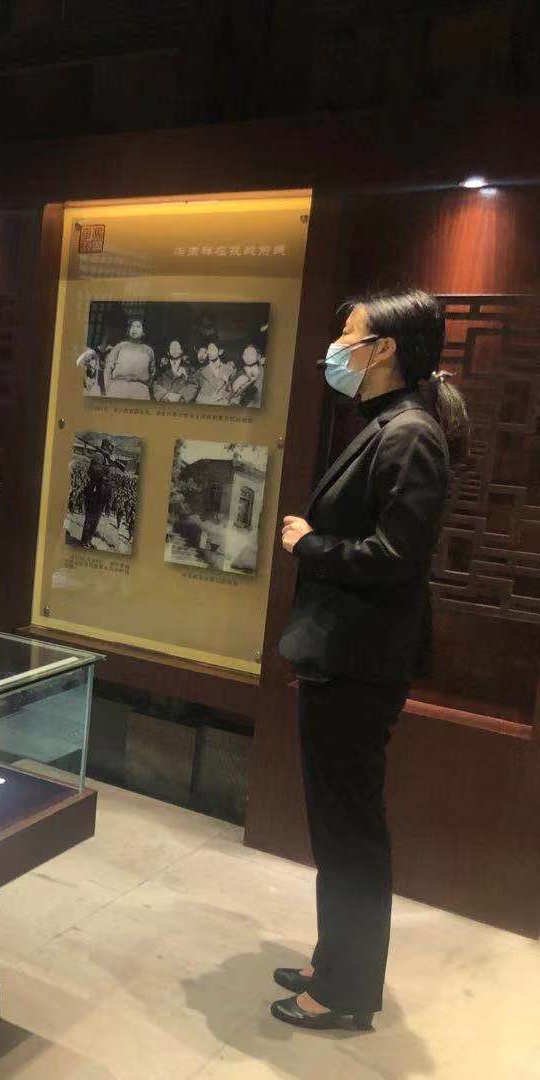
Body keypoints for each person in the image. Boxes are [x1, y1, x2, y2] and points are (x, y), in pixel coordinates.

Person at [273, 288, 467, 1032]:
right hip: (345, 655)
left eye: (348, 335)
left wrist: (310, 545)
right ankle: (335, 963)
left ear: (383, 348)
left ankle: (346, 990)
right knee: (337, 824)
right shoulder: (389, 423)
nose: (338, 347)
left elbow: (396, 557)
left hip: (359, 661)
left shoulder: (410, 433)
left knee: (350, 830)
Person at [102, 317, 155, 399]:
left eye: (138, 327)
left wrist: (145, 387)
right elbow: (108, 368)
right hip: (118, 386)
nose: (134, 329)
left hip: (140, 390)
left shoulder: (148, 350)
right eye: (132, 326)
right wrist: (109, 388)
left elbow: (152, 372)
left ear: (143, 332)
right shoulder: (120, 346)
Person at [78, 437, 115, 548]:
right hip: (95, 492)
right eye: (111, 446)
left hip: (101, 494)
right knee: (90, 518)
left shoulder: (105, 457)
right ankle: (84, 541)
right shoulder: (98, 456)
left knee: (96, 520)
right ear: (105, 445)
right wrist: (108, 465)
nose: (112, 449)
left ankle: (88, 541)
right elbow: (94, 472)